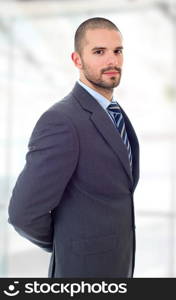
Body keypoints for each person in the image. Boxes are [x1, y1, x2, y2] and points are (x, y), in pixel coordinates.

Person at [8, 17, 139, 278]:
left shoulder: (115, 113)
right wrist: (66, 243)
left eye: (117, 51)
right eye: (99, 52)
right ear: (77, 60)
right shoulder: (62, 121)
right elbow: (23, 213)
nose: (112, 60)